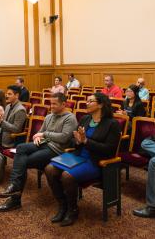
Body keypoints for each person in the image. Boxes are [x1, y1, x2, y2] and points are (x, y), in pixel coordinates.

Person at [45, 93, 121, 226]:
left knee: (67, 176)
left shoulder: (111, 124)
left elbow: (109, 150)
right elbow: (76, 141)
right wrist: (78, 140)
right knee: (49, 168)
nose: (87, 103)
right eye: (87, 101)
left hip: (95, 161)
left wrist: (86, 141)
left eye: (91, 101)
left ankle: (73, 210)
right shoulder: (85, 119)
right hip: (77, 156)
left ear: (101, 104)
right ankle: (63, 205)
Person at [0, 92, 78, 213]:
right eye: (51, 103)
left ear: (63, 104)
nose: (52, 106)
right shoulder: (49, 116)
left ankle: (15, 198)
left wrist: (44, 135)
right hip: (42, 145)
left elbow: (64, 137)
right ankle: (14, 186)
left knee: (23, 162)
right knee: (21, 148)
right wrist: (37, 137)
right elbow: (40, 132)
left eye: (55, 104)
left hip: (56, 150)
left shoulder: (70, 118)